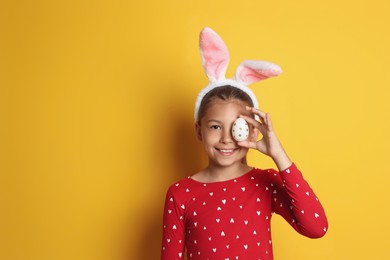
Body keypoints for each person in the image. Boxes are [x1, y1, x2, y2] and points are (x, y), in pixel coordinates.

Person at [161, 28, 328, 260]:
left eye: (237, 127)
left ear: (251, 130)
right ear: (199, 130)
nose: (227, 138)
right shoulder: (180, 194)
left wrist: (279, 155)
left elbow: (316, 227)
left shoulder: (265, 182)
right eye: (215, 126)